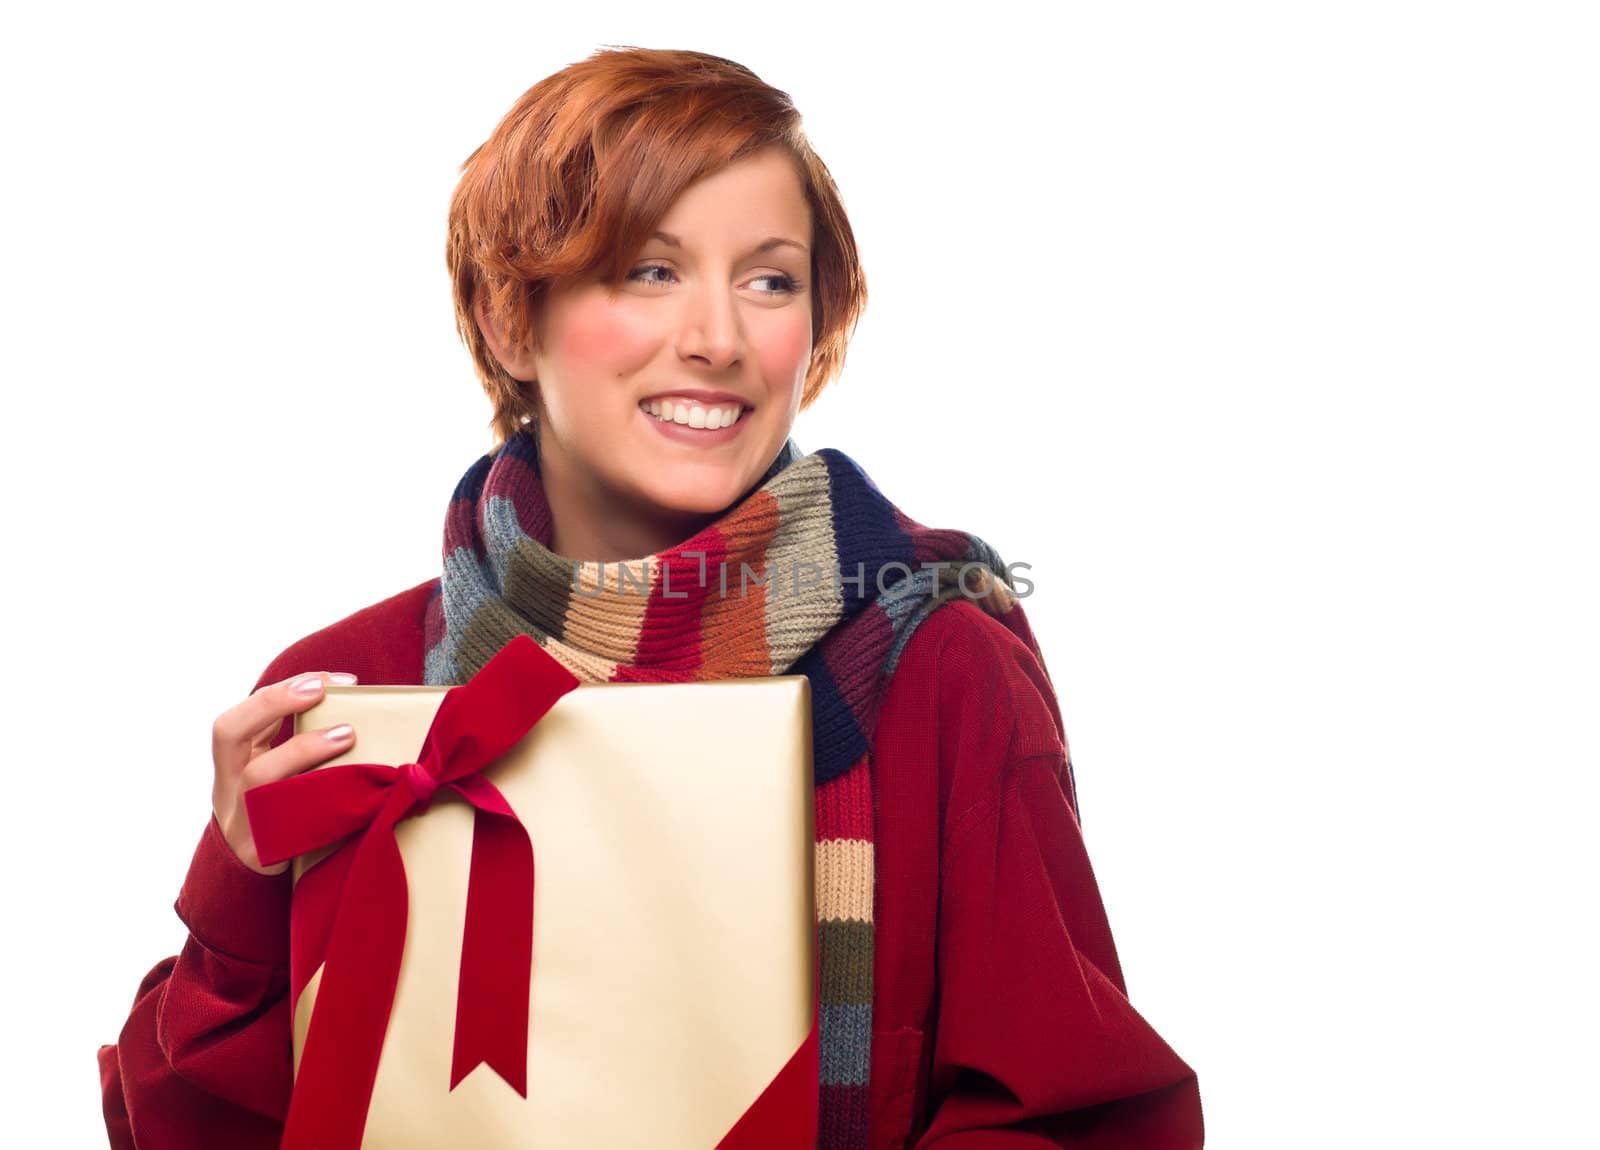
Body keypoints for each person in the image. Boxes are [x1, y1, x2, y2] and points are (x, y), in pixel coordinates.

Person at [97, 46, 1203, 1149]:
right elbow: (187, 1132)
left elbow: (1076, 1120)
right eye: (648, 270)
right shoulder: (352, 685)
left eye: (769, 278)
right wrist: (244, 881)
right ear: (506, 319)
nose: (718, 339)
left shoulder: (939, 664)